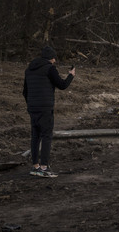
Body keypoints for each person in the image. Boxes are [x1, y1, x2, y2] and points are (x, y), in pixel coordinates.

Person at [22, 46, 75, 178]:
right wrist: (71, 75)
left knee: (35, 136)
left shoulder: (29, 70)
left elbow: (25, 91)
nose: (55, 61)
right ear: (51, 58)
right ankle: (44, 167)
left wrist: (31, 104)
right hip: (45, 108)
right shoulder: (50, 68)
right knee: (46, 136)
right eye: (54, 58)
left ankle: (35, 166)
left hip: (32, 108)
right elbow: (62, 85)